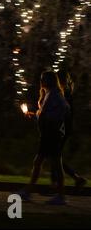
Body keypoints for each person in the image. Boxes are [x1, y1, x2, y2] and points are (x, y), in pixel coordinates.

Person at [19, 71, 70, 205]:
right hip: (51, 134)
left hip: (51, 134)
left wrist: (40, 117)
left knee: (47, 163)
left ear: (49, 81)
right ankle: (56, 195)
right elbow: (47, 114)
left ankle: (31, 193)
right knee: (45, 163)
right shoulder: (50, 94)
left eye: (43, 79)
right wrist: (35, 115)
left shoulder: (54, 95)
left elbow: (58, 113)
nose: (41, 81)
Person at [51, 70, 86, 189]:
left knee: (54, 155)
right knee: (55, 155)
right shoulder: (66, 92)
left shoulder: (63, 93)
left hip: (61, 128)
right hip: (64, 128)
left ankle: (57, 184)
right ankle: (74, 179)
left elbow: (61, 112)